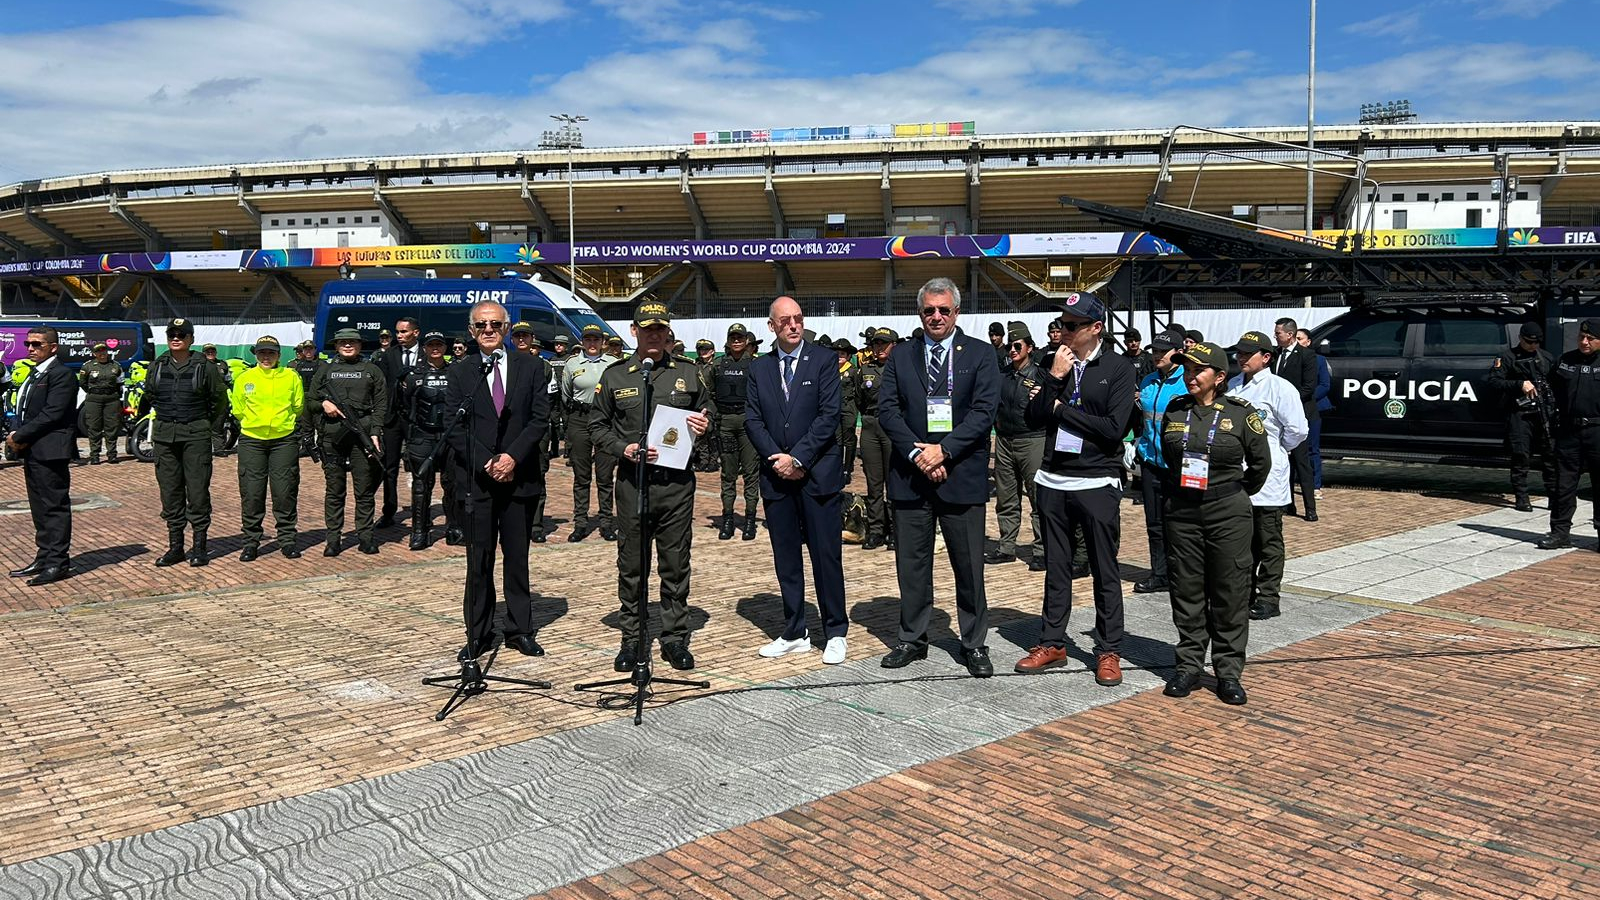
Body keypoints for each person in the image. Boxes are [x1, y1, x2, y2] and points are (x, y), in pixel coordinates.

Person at [876, 277, 1001, 677]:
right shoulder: (901, 356)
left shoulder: (980, 355)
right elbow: (888, 411)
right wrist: (918, 453)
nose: (935, 316)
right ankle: (912, 637)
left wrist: (943, 450)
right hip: (911, 477)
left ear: (956, 312)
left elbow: (983, 413)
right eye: (929, 309)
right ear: (919, 312)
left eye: (943, 309)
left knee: (968, 566)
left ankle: (974, 642)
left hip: (960, 475)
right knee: (911, 565)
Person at [1014, 292, 1138, 686]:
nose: (1061, 332)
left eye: (1071, 326)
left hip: (1097, 479)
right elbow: (1031, 417)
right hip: (1053, 477)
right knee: (1056, 566)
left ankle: (1108, 649)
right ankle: (1052, 642)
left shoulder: (1117, 368)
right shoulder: (1054, 365)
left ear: (1095, 328)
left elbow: (1112, 430)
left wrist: (1062, 410)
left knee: (1104, 568)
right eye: (1061, 325)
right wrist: (1054, 378)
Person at [591, 302, 711, 671]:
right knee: (632, 565)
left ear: (668, 332)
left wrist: (706, 428)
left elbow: (710, 414)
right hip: (632, 483)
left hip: (675, 486)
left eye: (660, 329)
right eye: (647, 329)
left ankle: (674, 637)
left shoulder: (690, 374)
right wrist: (621, 448)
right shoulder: (615, 376)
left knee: (675, 564)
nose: (654, 334)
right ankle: (632, 639)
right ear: (634, 332)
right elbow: (596, 426)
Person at [1159, 341, 1272, 706]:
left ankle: (1227, 671)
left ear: (1219, 377)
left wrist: (1231, 493)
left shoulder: (1241, 414)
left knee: (1230, 590)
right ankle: (1189, 665)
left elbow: (1260, 466)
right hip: (1183, 511)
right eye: (1187, 370)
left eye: (1198, 370)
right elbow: (1168, 458)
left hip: (1227, 510)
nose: (1190, 376)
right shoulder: (1176, 410)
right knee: (1187, 589)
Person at [745, 296, 849, 664]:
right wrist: (778, 459)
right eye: (785, 320)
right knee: (786, 558)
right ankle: (795, 630)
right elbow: (753, 420)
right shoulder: (759, 368)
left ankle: (835, 630)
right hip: (777, 476)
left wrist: (799, 458)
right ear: (771, 326)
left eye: (798, 318)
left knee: (825, 556)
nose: (793, 325)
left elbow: (828, 415)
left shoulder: (823, 360)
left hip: (816, 473)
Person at [448, 301, 553, 660]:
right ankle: (478, 633)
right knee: (478, 561)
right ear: (471, 330)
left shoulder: (532, 366)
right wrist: (488, 462)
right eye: (481, 325)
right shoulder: (460, 371)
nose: (488, 330)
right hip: (477, 480)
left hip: (519, 477)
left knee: (517, 558)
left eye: (495, 324)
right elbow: (454, 427)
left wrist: (511, 458)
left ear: (507, 328)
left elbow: (540, 419)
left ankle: (519, 629)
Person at [1226, 331, 1308, 621]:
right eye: (1240, 353)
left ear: (1266, 357)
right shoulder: (1233, 386)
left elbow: (1297, 430)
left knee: (1268, 542)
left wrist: (1274, 450)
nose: (1242, 358)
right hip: (1238, 476)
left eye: (1249, 354)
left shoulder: (1280, 388)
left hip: (1269, 478)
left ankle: (1268, 597)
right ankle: (1243, 594)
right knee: (1242, 543)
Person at [140, 318, 230, 567]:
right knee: (170, 492)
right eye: (172, 334)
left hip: (196, 436)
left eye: (181, 334)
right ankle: (175, 547)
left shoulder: (205, 366)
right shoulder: (157, 366)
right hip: (165, 437)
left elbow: (219, 401)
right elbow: (151, 394)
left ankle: (199, 546)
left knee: (198, 492)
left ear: (191, 338)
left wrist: (205, 426)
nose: (176, 338)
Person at [6, 327, 76, 585]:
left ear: (53, 347)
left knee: (54, 506)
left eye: (37, 344)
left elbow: (52, 413)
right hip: (33, 449)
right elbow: (26, 409)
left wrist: (19, 436)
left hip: (51, 450)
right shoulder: (35, 373)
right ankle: (44, 556)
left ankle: (58, 562)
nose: (30, 348)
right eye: (28, 344)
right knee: (39, 507)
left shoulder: (61, 374)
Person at [311, 329, 387, 556]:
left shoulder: (372, 370)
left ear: (360, 345)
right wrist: (324, 404)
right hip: (333, 435)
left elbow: (382, 403)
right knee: (335, 490)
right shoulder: (325, 370)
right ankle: (333, 538)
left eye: (352, 342)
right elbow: (311, 400)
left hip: (361, 433)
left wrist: (374, 431)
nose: (347, 345)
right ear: (336, 346)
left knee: (364, 489)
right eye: (343, 342)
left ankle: (365, 536)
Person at [231, 336, 305, 561]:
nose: (266, 357)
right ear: (255, 354)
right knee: (252, 492)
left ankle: (287, 540)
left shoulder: (291, 377)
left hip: (283, 440)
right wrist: (254, 424)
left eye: (271, 353)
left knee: (284, 491)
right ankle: (251, 542)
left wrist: (283, 424)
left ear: (278, 355)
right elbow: (238, 408)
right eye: (261, 352)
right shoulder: (245, 378)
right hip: (252, 440)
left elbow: (298, 406)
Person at [987, 323, 1046, 571]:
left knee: (1037, 498)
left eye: (1017, 345)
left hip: (1032, 440)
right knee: (1006, 497)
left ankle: (1042, 550)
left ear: (1029, 348)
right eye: (1010, 346)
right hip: (1004, 440)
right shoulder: (1003, 376)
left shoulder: (1040, 375)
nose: (1012, 350)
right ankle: (1006, 547)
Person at [1132, 329, 1186, 594]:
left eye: (1162, 352)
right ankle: (1159, 573)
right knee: (1154, 522)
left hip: (1177, 464)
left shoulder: (1187, 381)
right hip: (1150, 460)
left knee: (1177, 522)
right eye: (1154, 351)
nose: (1156, 356)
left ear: (1178, 352)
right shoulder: (1148, 381)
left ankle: (1182, 574)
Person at [1539, 318, 1600, 550]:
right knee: (1563, 485)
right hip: (1569, 432)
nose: (1584, 342)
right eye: (1581, 337)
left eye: (1591, 338)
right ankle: (1559, 533)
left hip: (1597, 431)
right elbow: (1550, 389)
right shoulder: (1565, 361)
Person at [1487, 322, 1558, 512]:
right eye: (1528, 342)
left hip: (1543, 413)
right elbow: (1494, 381)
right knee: (1521, 455)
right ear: (1521, 338)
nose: (1532, 346)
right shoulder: (1507, 357)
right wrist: (1519, 384)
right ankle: (1522, 497)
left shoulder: (1546, 358)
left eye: (1536, 343)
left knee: (1550, 456)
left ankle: (1554, 496)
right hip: (1520, 413)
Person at [402, 331, 458, 550]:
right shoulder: (413, 376)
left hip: (449, 436)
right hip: (422, 435)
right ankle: (419, 532)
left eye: (439, 345)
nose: (435, 348)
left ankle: (454, 527)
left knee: (452, 484)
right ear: (424, 348)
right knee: (421, 486)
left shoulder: (455, 373)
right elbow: (406, 406)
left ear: (445, 348)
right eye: (431, 345)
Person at [562, 324, 617, 542]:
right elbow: (566, 395)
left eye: (596, 339)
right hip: (580, 419)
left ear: (602, 342)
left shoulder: (613, 364)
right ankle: (581, 523)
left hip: (605, 419)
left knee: (605, 476)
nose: (592, 344)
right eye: (588, 339)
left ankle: (606, 522)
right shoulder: (572, 364)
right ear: (582, 342)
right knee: (581, 476)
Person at [710, 323, 760, 540]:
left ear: (746, 340)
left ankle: (750, 520)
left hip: (748, 423)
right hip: (725, 423)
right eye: (733, 337)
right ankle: (728, 519)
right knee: (728, 475)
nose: (737, 341)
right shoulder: (717, 365)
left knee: (751, 474)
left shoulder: (757, 365)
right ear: (728, 341)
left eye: (740, 337)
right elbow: (710, 394)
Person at [508, 323, 554, 542]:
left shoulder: (543, 366)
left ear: (532, 338)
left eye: (525, 336)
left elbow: (548, 400)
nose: (521, 340)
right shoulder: (504, 362)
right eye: (517, 336)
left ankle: (535, 523)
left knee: (538, 473)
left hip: (537, 428)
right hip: (513, 428)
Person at [852, 327, 897, 550]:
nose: (879, 348)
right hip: (870, 426)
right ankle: (876, 529)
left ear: (893, 345)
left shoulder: (899, 369)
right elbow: (859, 399)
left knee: (894, 481)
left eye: (884, 344)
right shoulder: (865, 370)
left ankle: (895, 530)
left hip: (892, 427)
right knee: (873, 483)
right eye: (876, 344)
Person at [375, 316, 421, 529]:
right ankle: (389, 511)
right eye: (398, 332)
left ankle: (422, 512)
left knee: (420, 466)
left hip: (418, 418)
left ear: (415, 333)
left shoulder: (426, 353)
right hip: (393, 418)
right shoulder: (389, 355)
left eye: (404, 332)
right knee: (389, 467)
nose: (399, 336)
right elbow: (381, 386)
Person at [1270, 317, 1319, 521]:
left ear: (1289, 335)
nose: (1276, 336)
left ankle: (1310, 508)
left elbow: (1309, 386)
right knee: (1283, 462)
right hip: (1278, 417)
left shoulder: (1306, 355)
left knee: (1301, 463)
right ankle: (1287, 503)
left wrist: (1287, 401)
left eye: (1278, 333)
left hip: (1299, 414)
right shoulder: (1275, 355)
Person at [1296, 328, 1332, 499]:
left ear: (1308, 342)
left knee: (1312, 447)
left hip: (1312, 408)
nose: (1297, 341)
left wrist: (1304, 398)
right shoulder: (1286, 360)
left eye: (1300, 338)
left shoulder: (1319, 360)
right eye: (1294, 338)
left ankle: (1316, 485)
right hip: (1293, 409)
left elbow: (1325, 385)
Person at [78, 342, 124, 465]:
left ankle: (112, 454)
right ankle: (95, 455)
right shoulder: (88, 366)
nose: (102, 354)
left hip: (111, 398)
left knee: (112, 427)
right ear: (94, 354)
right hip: (94, 399)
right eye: (99, 352)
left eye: (104, 351)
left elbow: (120, 382)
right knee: (94, 427)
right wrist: (94, 392)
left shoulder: (115, 366)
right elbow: (83, 383)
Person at [288, 340, 326, 459]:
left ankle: (322, 448)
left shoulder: (323, 365)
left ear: (315, 350)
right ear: (303, 351)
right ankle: (307, 447)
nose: (308, 351)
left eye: (310, 349)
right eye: (306, 349)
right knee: (305, 425)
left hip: (317, 397)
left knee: (320, 424)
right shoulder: (296, 365)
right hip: (303, 397)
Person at [835, 338, 859, 481]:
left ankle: (847, 469)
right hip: (834, 409)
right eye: (837, 353)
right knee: (837, 439)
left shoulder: (853, 371)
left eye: (842, 354)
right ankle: (837, 467)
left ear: (849, 356)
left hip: (849, 408)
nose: (839, 357)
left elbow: (858, 392)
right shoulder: (830, 370)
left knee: (848, 439)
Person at [547, 332, 570, 462]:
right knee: (554, 423)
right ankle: (554, 450)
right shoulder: (551, 360)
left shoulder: (570, 359)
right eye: (556, 344)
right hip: (554, 396)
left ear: (566, 346)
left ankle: (568, 450)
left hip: (566, 396)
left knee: (567, 424)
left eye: (561, 344)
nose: (558, 346)